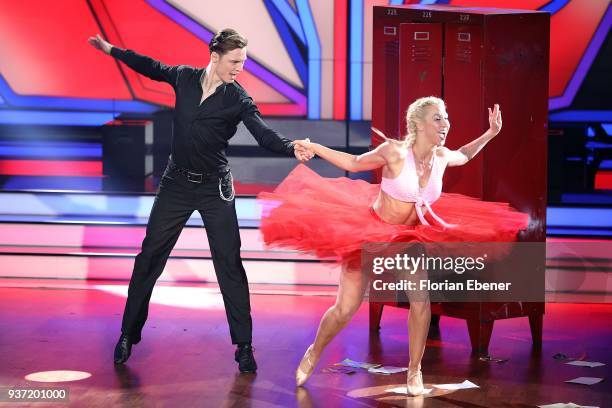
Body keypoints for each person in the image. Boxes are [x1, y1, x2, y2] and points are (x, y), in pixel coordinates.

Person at [258, 96, 528, 393]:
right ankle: (315, 350)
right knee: (345, 309)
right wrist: (315, 146)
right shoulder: (395, 152)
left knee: (421, 302)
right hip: (371, 235)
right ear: (418, 123)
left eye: (446, 118)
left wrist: (490, 133)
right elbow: (353, 162)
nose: (446, 124)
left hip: (408, 239)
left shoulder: (440, 157)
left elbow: (463, 155)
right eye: (438, 118)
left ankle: (415, 371)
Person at [88, 29, 313, 373]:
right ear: (215, 56)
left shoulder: (238, 98)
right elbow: (149, 66)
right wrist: (111, 49)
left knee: (229, 265)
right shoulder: (185, 78)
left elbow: (262, 133)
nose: (240, 68)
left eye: (243, 62)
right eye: (235, 61)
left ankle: (244, 346)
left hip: (215, 190)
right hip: (176, 183)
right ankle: (127, 335)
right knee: (149, 257)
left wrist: (289, 146)